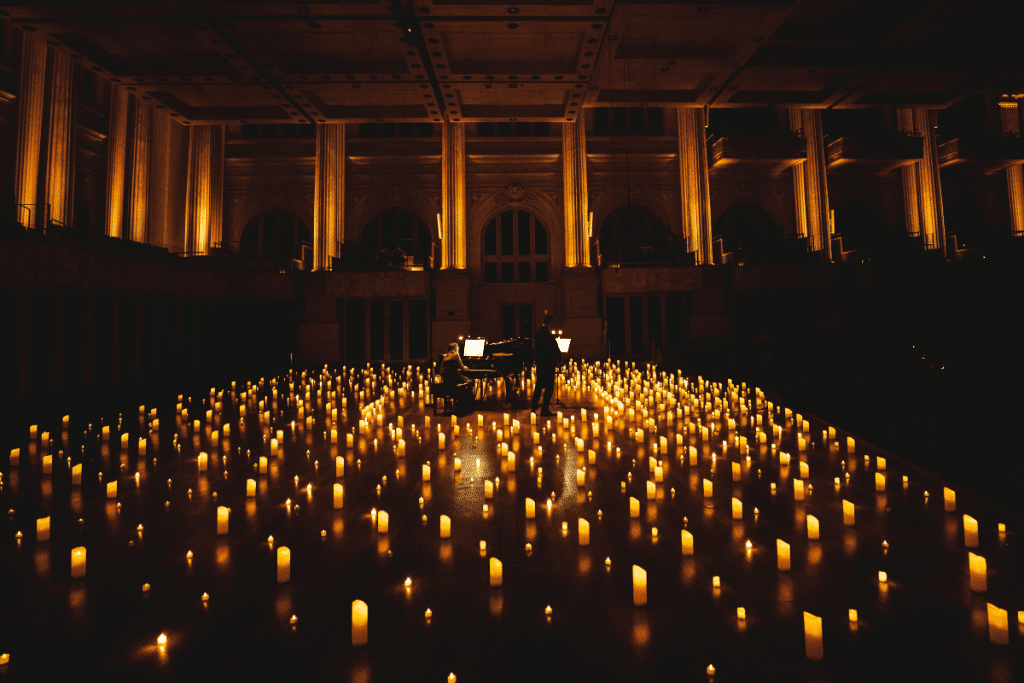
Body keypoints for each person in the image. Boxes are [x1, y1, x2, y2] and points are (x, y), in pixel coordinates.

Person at [531, 315, 561, 416]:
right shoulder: (548, 334)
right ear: (550, 322)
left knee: (539, 385)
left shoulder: (538, 333)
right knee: (549, 387)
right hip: (548, 363)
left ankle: (533, 407)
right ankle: (544, 409)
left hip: (540, 363)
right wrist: (559, 359)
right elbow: (554, 348)